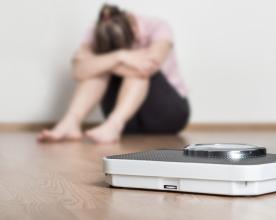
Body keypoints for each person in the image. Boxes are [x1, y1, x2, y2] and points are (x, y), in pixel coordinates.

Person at [37, 4, 189, 144]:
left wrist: (107, 62)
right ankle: (71, 122)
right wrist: (120, 56)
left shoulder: (158, 26)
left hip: (167, 115)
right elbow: (77, 71)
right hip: (129, 123)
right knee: (96, 69)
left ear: (134, 30)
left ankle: (114, 125)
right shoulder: (97, 31)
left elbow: (147, 67)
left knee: (134, 70)